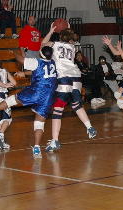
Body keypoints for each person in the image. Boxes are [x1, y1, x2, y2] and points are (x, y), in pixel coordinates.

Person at [0, 46, 58, 158]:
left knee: (13, 99)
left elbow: (21, 60)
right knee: (39, 122)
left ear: (41, 54)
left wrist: (14, 52)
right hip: (48, 95)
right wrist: (25, 73)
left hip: (37, 90)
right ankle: (37, 147)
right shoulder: (54, 63)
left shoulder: (37, 62)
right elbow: (39, 71)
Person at [41, 23, 98, 152]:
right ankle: (89, 127)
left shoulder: (55, 44)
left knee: (57, 110)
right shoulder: (73, 47)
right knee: (76, 105)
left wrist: (50, 31)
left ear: (60, 36)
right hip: (76, 78)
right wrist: (67, 28)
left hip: (64, 78)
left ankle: (55, 141)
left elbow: (42, 44)